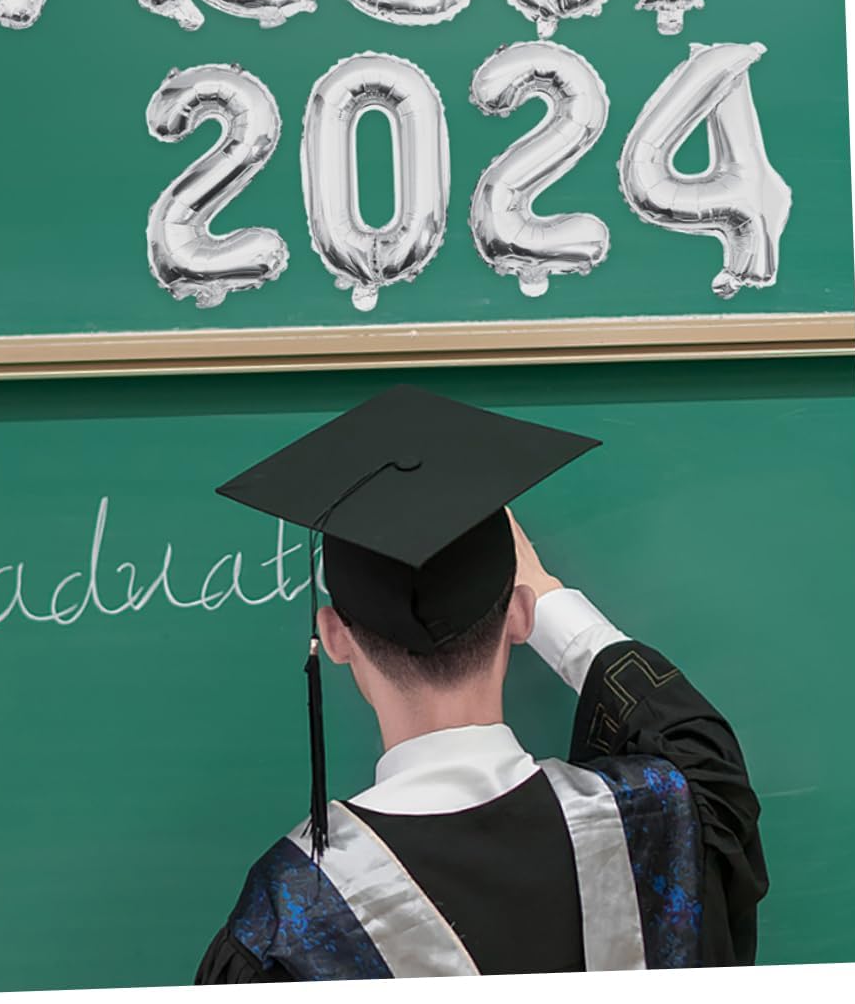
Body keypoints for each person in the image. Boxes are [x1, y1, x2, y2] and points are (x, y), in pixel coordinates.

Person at [195, 384, 767, 982]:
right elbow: (698, 745)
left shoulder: (287, 919)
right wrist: (548, 596)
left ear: (334, 637)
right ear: (518, 615)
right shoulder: (656, 821)